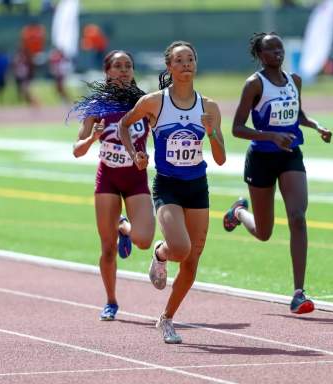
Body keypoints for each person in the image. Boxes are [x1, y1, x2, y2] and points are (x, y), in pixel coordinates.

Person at [119, 41, 226, 343]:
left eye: (190, 59)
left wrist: (213, 132)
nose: (185, 65)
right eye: (178, 60)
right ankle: (160, 252)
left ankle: (166, 319)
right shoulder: (155, 102)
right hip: (167, 184)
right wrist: (136, 154)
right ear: (169, 67)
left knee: (192, 263)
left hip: (197, 186)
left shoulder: (210, 107)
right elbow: (125, 125)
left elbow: (220, 157)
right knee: (180, 249)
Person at [222, 32, 332, 315]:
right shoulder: (254, 84)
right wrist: (270, 136)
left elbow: (298, 116)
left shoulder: (294, 80)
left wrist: (316, 126)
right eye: (270, 50)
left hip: (290, 156)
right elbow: (236, 128)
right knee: (264, 232)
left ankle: (298, 292)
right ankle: (237, 213)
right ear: (260, 55)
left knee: (297, 217)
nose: (277, 53)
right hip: (261, 159)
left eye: (279, 48)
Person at [72, 50, 155, 321]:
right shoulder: (97, 105)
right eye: (117, 66)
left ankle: (125, 227)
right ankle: (110, 301)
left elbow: (161, 133)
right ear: (107, 71)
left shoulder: (145, 101)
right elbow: (77, 149)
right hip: (107, 177)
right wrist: (91, 139)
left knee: (143, 241)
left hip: (135, 177)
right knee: (107, 247)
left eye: (127, 66)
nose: (123, 70)